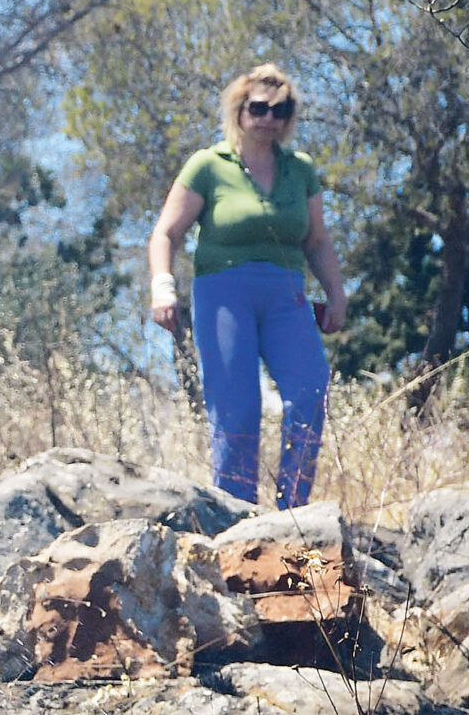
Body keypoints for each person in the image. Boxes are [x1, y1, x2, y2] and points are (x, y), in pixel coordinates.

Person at [146, 64, 349, 508]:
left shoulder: (300, 170)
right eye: (258, 108)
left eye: (281, 110)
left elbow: (317, 240)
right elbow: (166, 233)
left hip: (285, 295)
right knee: (237, 409)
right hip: (224, 294)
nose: (269, 119)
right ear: (239, 110)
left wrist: (337, 293)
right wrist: (163, 287)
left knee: (310, 391)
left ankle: (292, 512)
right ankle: (235, 513)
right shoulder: (208, 166)